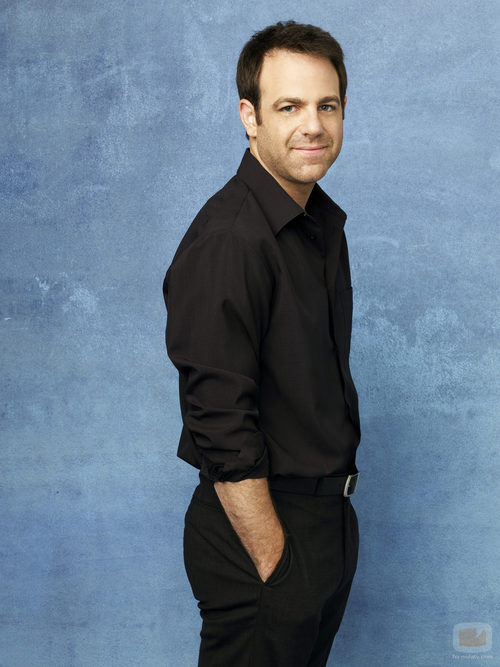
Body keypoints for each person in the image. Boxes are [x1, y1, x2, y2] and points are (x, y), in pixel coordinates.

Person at [163, 20, 361, 667]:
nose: (313, 125)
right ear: (249, 117)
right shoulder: (230, 239)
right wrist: (276, 561)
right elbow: (218, 419)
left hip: (323, 523)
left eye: (327, 105)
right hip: (263, 537)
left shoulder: (317, 225)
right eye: (289, 107)